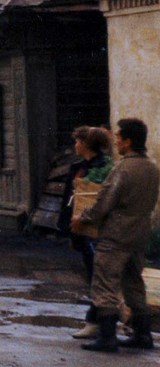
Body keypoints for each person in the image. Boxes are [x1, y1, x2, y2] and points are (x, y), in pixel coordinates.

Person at [74, 118, 160, 352]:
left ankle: (107, 337)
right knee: (134, 283)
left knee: (105, 283)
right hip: (140, 233)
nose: (117, 142)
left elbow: (104, 202)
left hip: (116, 236)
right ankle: (144, 335)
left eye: (120, 137)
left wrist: (83, 218)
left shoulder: (122, 168)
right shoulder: (151, 167)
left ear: (129, 141)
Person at [63, 126, 114, 339]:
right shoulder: (78, 167)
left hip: (97, 229)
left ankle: (96, 322)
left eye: (77, 141)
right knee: (93, 273)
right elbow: (69, 201)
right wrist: (68, 230)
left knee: (97, 277)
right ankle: (101, 320)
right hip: (79, 227)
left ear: (85, 144)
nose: (75, 145)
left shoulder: (105, 167)